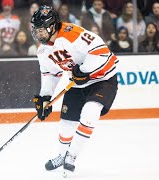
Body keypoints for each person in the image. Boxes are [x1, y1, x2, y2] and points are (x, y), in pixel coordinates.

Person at [30, 5, 118, 177]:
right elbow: (50, 73)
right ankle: (61, 155)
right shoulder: (44, 50)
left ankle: (71, 156)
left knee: (90, 113)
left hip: (103, 79)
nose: (38, 34)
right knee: (66, 124)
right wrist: (45, 97)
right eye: (36, 30)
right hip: (78, 83)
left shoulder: (72, 34)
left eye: (41, 30)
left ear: (52, 26)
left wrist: (85, 70)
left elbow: (102, 51)